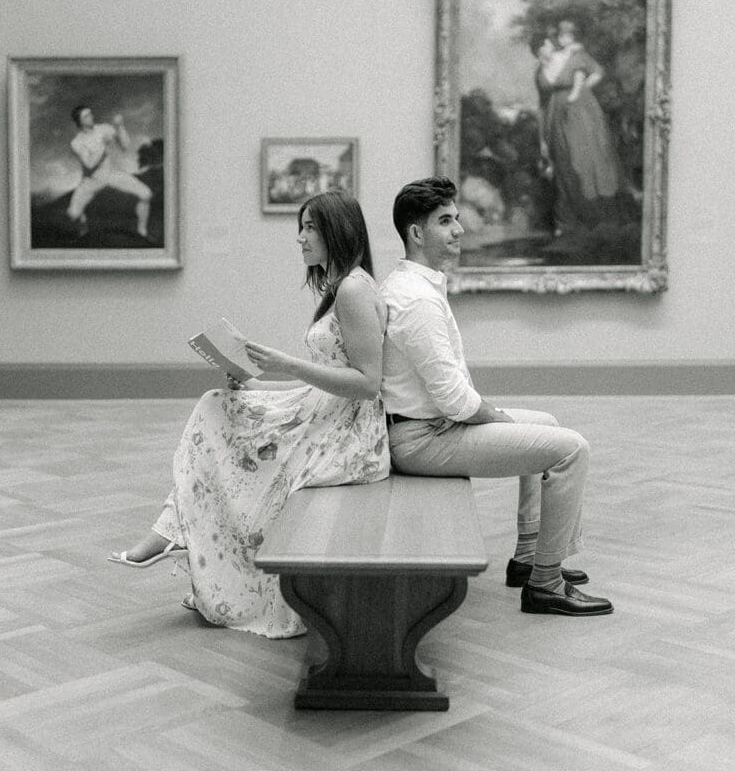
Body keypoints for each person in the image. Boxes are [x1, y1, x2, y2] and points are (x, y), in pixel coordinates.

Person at [109, 190, 390, 638]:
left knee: (222, 423)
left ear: (339, 229)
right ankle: (179, 534)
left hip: (351, 437)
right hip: (330, 415)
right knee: (221, 405)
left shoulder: (354, 289)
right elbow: (331, 382)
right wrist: (260, 384)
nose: (300, 238)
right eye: (301, 227)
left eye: (310, 227)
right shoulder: (345, 285)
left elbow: (368, 383)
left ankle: (175, 536)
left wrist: (289, 364)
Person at [381, 176, 613, 616]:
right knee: (571, 451)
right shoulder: (416, 301)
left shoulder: (416, 285)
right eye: (445, 221)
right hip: (423, 440)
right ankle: (546, 583)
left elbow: (451, 396)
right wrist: (496, 418)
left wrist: (487, 415)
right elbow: (454, 400)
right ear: (416, 233)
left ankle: (528, 558)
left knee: (546, 425)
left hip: (427, 428)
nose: (459, 229)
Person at [532, 20, 623, 236]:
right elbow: (542, 104)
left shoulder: (573, 56)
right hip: (555, 117)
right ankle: (566, 221)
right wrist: (542, 137)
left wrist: (581, 91)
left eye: (557, 39)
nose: (554, 43)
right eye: (548, 42)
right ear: (539, 50)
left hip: (579, 113)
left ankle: (596, 216)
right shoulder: (540, 71)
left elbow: (596, 72)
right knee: (562, 164)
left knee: (584, 160)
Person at [66, 104, 153, 238]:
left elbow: (125, 146)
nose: (91, 117)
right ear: (80, 121)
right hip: (91, 180)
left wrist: (120, 126)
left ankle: (142, 232)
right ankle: (82, 223)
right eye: (86, 116)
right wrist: (103, 144)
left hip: (111, 174)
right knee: (73, 215)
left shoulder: (104, 128)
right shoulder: (76, 142)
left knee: (146, 194)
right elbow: (89, 164)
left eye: (90, 113)